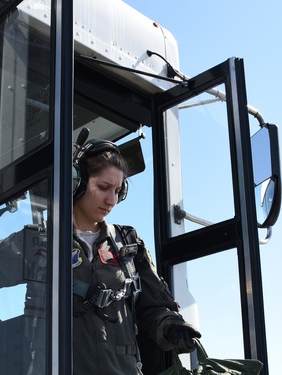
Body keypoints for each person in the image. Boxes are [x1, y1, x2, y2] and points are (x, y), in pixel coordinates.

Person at [71, 138, 201, 374]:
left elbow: (152, 308)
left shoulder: (128, 243)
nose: (111, 201)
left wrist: (171, 326)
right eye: (103, 188)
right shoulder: (40, 242)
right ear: (77, 183)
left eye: (118, 191)